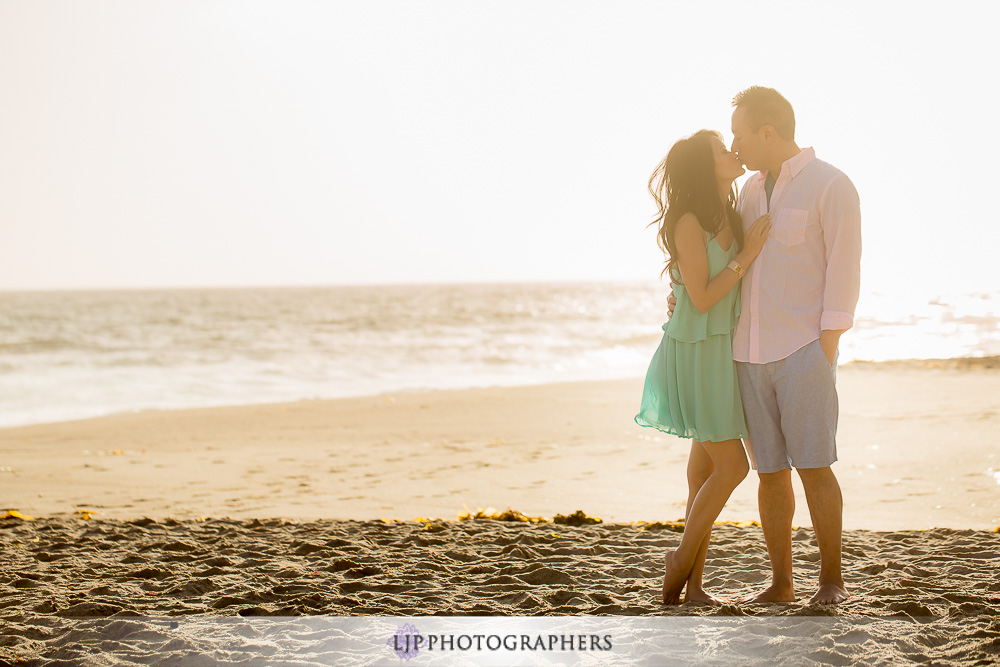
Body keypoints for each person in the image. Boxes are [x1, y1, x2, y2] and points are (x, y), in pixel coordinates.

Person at [728, 86, 861, 605]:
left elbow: (845, 269)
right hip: (748, 352)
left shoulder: (832, 184)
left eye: (741, 133)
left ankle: (831, 580)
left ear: (768, 132)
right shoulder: (748, 192)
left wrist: (824, 347)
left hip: (803, 350)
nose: (735, 144)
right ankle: (782, 582)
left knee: (814, 467)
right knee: (769, 474)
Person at [635, 129, 771, 604]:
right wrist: (748, 256)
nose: (732, 151)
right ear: (702, 165)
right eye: (721, 148)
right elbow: (703, 297)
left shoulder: (731, 211)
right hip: (695, 352)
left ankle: (694, 588)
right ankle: (680, 557)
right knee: (732, 466)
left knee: (702, 473)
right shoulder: (688, 220)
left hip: (721, 351)